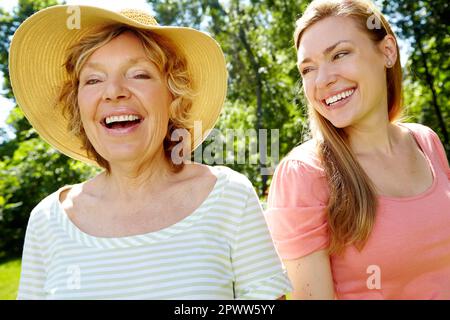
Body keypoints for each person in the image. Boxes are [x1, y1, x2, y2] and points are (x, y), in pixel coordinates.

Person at [10, 5, 291, 300]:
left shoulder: (229, 197)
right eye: (93, 80)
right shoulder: (47, 221)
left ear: (173, 96)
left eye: (138, 75)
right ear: (78, 105)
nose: (114, 91)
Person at [264, 0, 450, 299]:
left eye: (339, 54)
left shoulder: (425, 142)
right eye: (308, 69)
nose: (323, 80)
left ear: (388, 51)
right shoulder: (305, 173)